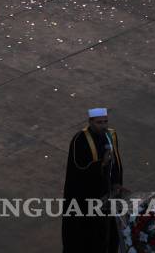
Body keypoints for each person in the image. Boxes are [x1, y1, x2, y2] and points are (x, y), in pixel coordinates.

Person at [62, 107, 124, 253]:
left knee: (108, 231)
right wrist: (101, 164)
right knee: (87, 234)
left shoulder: (110, 135)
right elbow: (78, 167)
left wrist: (116, 183)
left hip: (107, 194)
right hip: (86, 196)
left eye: (105, 122)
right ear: (90, 122)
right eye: (99, 122)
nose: (103, 126)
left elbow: (116, 163)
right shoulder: (80, 139)